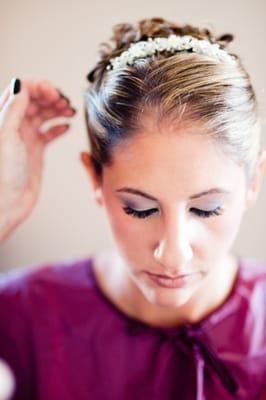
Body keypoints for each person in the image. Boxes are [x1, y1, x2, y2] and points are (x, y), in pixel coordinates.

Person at [0, 17, 265, 400]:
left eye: (207, 209)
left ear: (253, 182)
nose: (173, 254)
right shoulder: (18, 316)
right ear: (95, 179)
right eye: (140, 208)